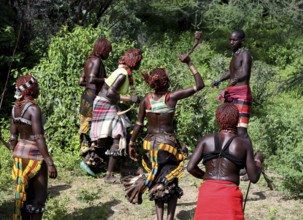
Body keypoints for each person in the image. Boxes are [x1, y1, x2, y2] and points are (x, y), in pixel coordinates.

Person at [124, 54, 204, 220]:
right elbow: (199, 85)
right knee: (171, 181)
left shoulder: (146, 100)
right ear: (165, 81)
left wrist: (131, 143)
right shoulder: (172, 97)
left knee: (155, 181)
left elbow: (138, 125)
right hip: (167, 146)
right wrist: (189, 63)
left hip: (149, 146)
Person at [187, 103, 264, 220]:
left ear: (218, 119)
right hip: (229, 195)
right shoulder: (243, 144)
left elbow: (190, 167)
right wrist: (258, 160)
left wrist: (208, 178)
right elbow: (253, 178)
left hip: (207, 192)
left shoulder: (206, 140)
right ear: (237, 120)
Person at [81, 48, 142, 182]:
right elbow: (110, 94)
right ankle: (110, 173)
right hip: (105, 103)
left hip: (105, 103)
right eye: (139, 61)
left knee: (120, 133)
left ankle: (118, 166)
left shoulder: (123, 72)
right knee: (118, 135)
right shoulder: (123, 74)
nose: (140, 64)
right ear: (133, 61)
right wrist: (131, 99)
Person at [9, 75, 57, 220]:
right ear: (29, 90)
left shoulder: (14, 109)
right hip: (34, 155)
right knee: (39, 198)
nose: (38, 89)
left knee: (25, 194)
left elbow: (12, 138)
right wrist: (49, 163)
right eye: (36, 86)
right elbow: (38, 137)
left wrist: (16, 151)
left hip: (19, 154)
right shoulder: (34, 109)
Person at [211, 29, 252, 139]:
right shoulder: (235, 54)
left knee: (241, 130)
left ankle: (249, 155)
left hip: (241, 94)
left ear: (242, 41)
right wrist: (219, 80)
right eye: (230, 40)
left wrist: (236, 79)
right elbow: (232, 71)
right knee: (228, 125)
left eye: (234, 40)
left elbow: (245, 72)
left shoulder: (245, 54)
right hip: (231, 93)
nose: (231, 42)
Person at [78, 38, 112, 156]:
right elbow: (92, 79)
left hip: (86, 96)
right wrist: (105, 80)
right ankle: (92, 158)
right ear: (102, 49)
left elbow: (81, 81)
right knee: (94, 128)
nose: (108, 54)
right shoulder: (97, 61)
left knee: (87, 128)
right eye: (108, 51)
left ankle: (89, 156)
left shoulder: (89, 61)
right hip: (93, 98)